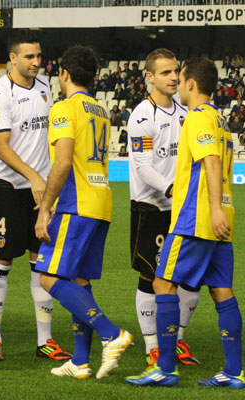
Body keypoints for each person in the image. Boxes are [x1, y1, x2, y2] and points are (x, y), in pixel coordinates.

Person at [126, 57, 244, 389]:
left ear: (191, 83)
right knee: (222, 291)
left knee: (162, 284)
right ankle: (234, 371)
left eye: (181, 76)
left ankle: (164, 366)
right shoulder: (221, 120)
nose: (177, 80)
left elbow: (209, 160)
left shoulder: (196, 118)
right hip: (221, 216)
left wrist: (211, 210)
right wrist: (222, 207)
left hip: (195, 219)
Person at [34, 45, 133, 381]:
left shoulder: (64, 108)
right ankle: (80, 361)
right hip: (101, 201)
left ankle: (112, 334)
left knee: (48, 277)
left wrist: (45, 208)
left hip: (76, 205)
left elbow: (62, 161)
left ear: (64, 74)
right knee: (78, 281)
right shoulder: (100, 109)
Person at [0, 29, 70, 361]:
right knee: (2, 262)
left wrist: (45, 181)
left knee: (41, 263)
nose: (37, 62)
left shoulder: (46, 87)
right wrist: (34, 176)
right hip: (8, 188)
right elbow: (2, 147)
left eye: (39, 55)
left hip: (41, 193)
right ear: (13, 58)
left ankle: (45, 340)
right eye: (30, 56)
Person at [127, 48, 199, 368]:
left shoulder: (185, 111)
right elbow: (143, 166)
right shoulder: (142, 116)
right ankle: (152, 346)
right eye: (166, 72)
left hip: (181, 209)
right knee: (151, 277)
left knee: (186, 278)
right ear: (150, 77)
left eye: (176, 71)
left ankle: (178, 339)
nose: (174, 77)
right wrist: (171, 189)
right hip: (151, 207)